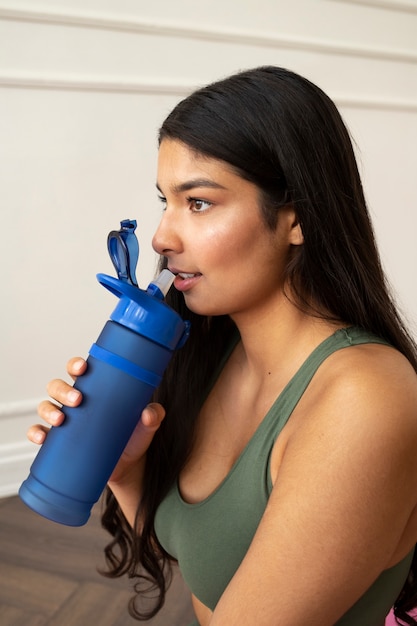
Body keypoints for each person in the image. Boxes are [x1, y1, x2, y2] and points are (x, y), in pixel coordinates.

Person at [29, 66, 417, 626]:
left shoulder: (365, 398)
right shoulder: (215, 355)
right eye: (165, 200)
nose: (162, 238)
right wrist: (123, 468)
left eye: (200, 203)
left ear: (296, 218)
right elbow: (212, 563)